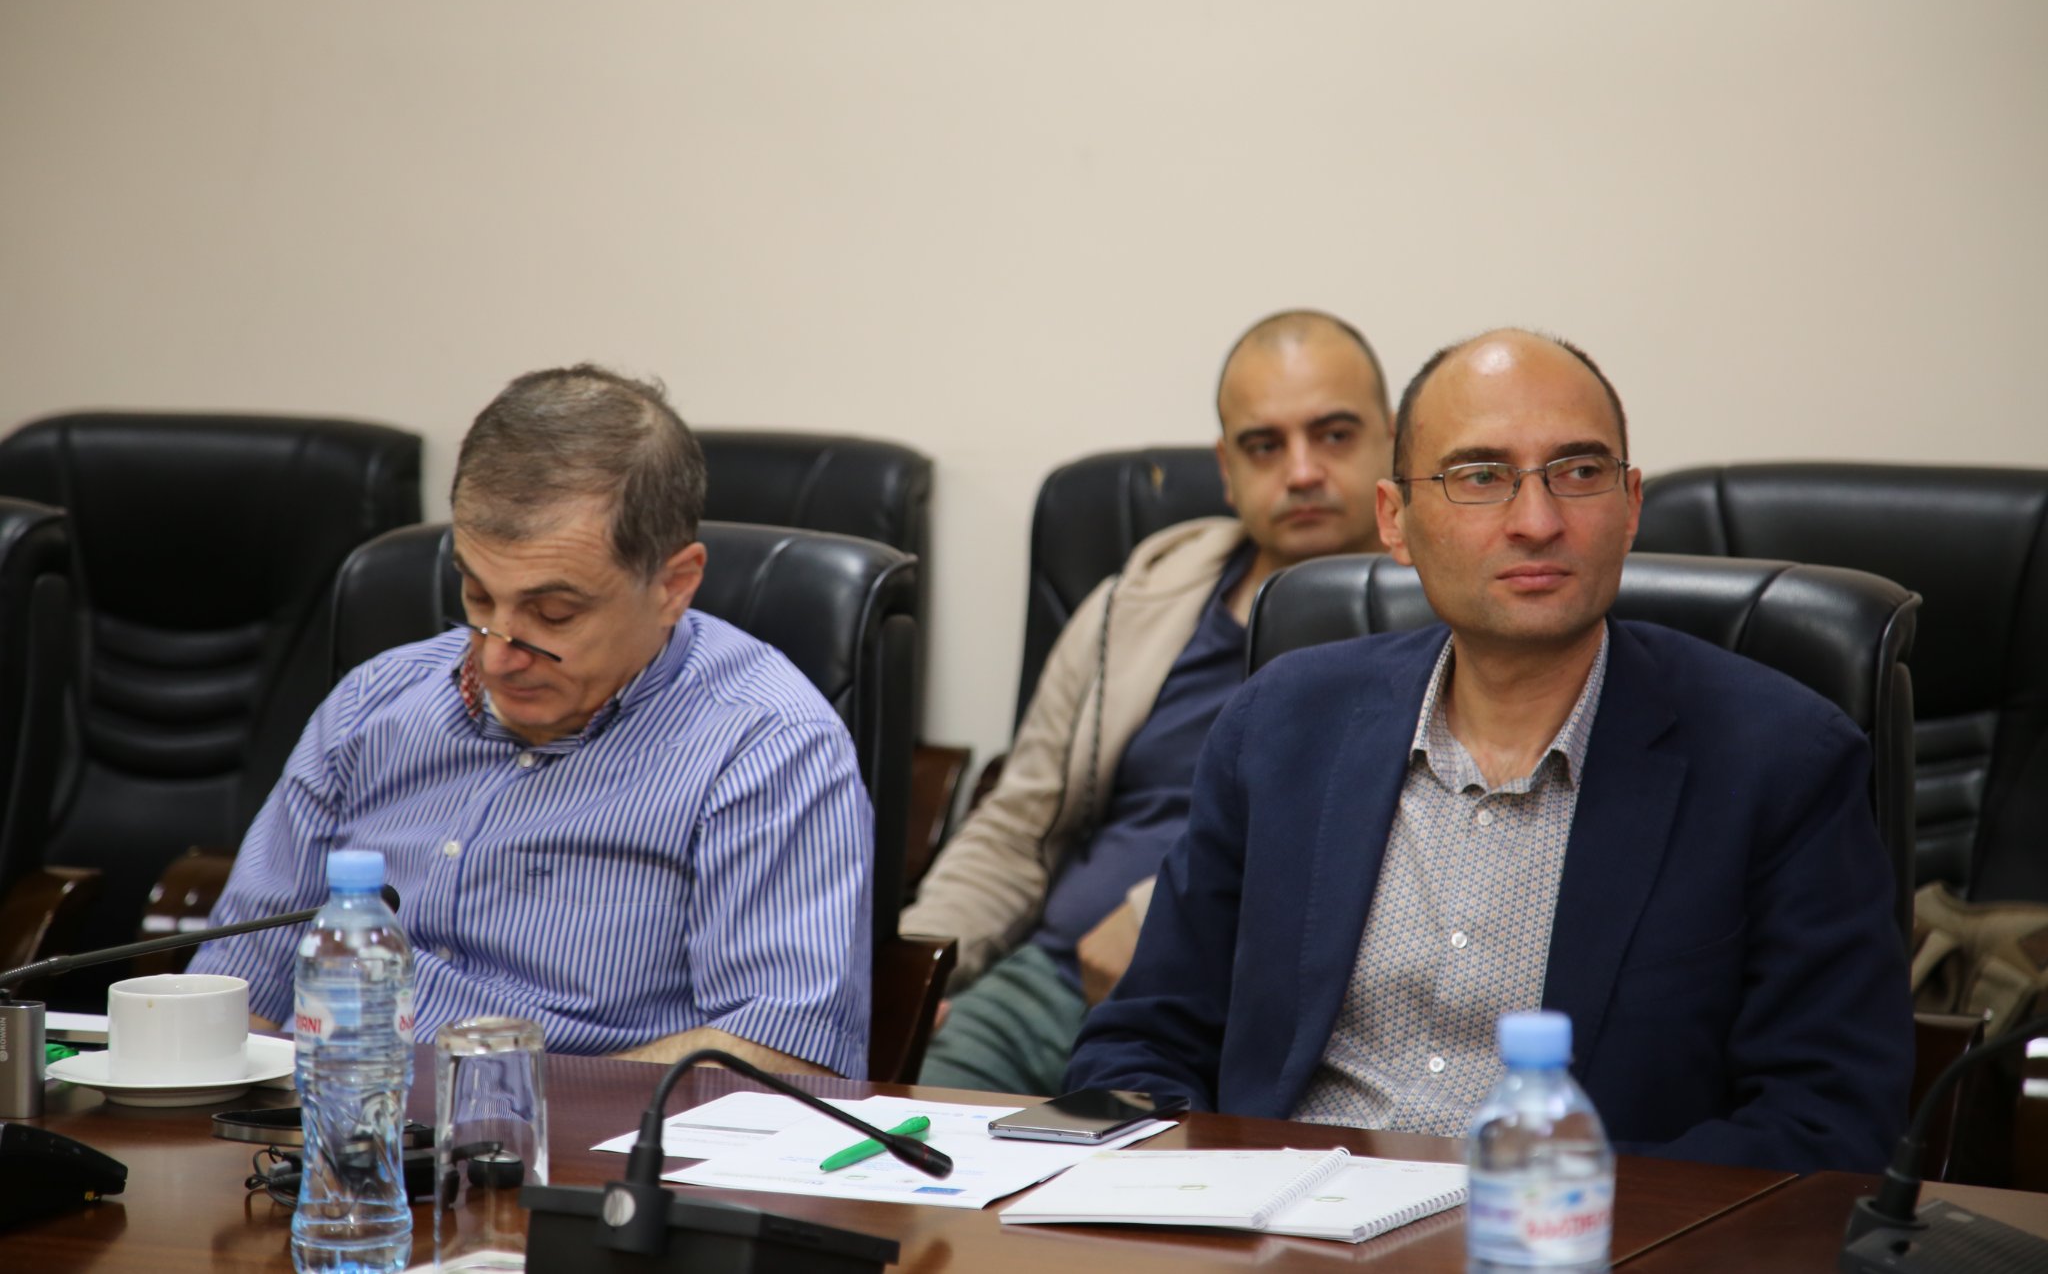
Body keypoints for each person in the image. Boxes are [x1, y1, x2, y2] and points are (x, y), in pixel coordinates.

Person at [1066, 328, 1914, 1172]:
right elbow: (1139, 1042)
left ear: (1630, 506)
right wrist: (1192, 1198)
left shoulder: (1781, 762)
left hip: (1575, 1230)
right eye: (1480, 477)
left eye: (1578, 472)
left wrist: (1539, 1208)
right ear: (1395, 520)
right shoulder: (1281, 725)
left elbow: (1826, 1125)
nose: (1537, 522)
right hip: (1274, 1222)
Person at [191, 365, 872, 1075]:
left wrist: (503, 1102)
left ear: (674, 584)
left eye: (553, 614)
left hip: (584, 1134)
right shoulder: (372, 704)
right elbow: (241, 990)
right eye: (478, 596)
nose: (497, 655)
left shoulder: (766, 743)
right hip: (332, 1123)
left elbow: (783, 1052)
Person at [901, 309, 1394, 1094]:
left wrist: (1156, 916)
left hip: (1265, 1009)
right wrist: (914, 967)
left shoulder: (1442, 625)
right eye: (1264, 445)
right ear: (1226, 467)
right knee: (896, 1133)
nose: (1301, 471)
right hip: (1051, 985)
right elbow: (1017, 827)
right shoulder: (1131, 604)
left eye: (1333, 434)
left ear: (1390, 443)